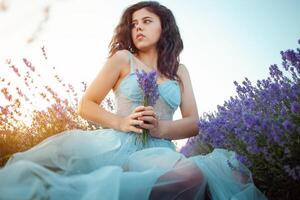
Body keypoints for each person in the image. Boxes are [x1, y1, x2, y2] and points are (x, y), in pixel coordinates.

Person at [0, 1, 267, 200]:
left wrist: (161, 128)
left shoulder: (179, 71)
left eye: (147, 21)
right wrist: (122, 121)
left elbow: (193, 122)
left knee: (220, 175)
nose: (138, 26)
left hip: (159, 150)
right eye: (134, 23)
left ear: (164, 26)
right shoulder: (122, 59)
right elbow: (87, 104)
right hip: (117, 143)